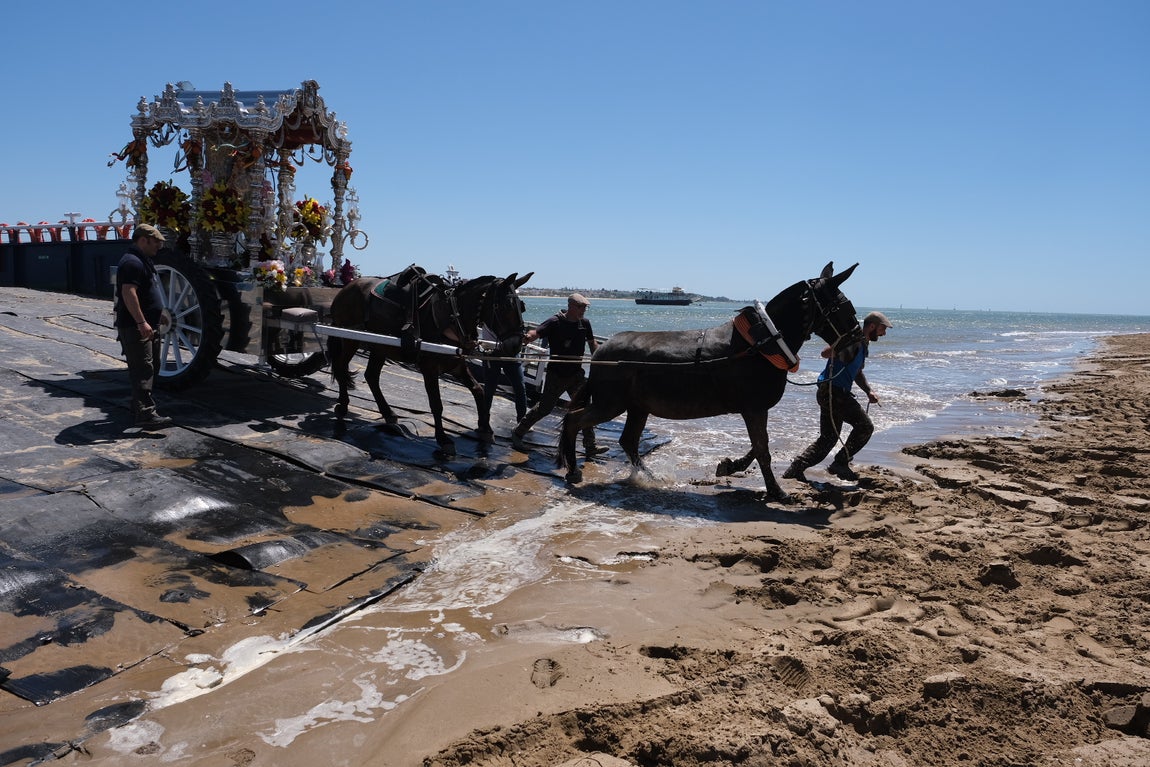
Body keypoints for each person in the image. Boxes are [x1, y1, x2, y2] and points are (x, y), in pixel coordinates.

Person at [784, 310, 893, 482]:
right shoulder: (854, 340)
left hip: (831, 393)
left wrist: (868, 391)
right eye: (882, 329)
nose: (884, 333)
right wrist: (842, 343)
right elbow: (826, 353)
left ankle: (795, 468)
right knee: (865, 427)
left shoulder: (863, 345)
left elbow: (857, 372)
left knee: (828, 439)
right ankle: (840, 463)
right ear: (872, 326)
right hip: (833, 392)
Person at [511, 293, 606, 456]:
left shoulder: (585, 324)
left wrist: (600, 360)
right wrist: (526, 338)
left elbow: (592, 344)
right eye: (580, 307)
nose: (583, 310)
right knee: (545, 408)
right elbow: (537, 333)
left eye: (585, 307)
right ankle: (518, 432)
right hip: (557, 374)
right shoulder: (555, 321)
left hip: (576, 374)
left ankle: (590, 446)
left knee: (584, 408)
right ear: (570, 306)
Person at [115, 223, 173, 430]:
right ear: (143, 240)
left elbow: (147, 294)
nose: (158, 246)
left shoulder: (142, 261)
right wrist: (141, 322)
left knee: (150, 367)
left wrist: (158, 317)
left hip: (147, 324)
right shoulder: (131, 262)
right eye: (155, 242)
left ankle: (138, 407)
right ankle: (146, 414)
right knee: (143, 369)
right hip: (135, 327)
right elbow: (128, 293)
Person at [481, 321, 528, 423]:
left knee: (520, 387)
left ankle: (522, 420)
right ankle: (484, 419)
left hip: (511, 352)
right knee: (489, 388)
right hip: (491, 352)